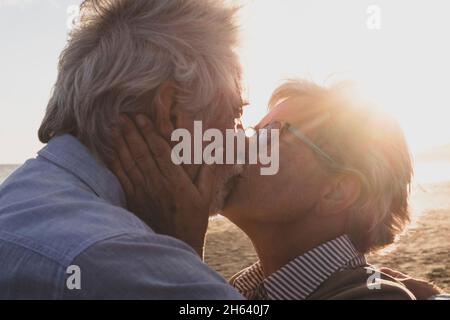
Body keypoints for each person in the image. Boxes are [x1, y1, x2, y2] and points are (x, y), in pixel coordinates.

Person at [111, 80, 446, 300]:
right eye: (252, 130)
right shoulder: (247, 290)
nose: (240, 142)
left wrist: (179, 251)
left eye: (272, 133)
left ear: (337, 192)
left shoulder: (374, 297)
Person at [0, 0, 245, 299]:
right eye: (233, 116)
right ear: (171, 112)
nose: (239, 141)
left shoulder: (19, 199)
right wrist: (179, 258)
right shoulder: (123, 263)